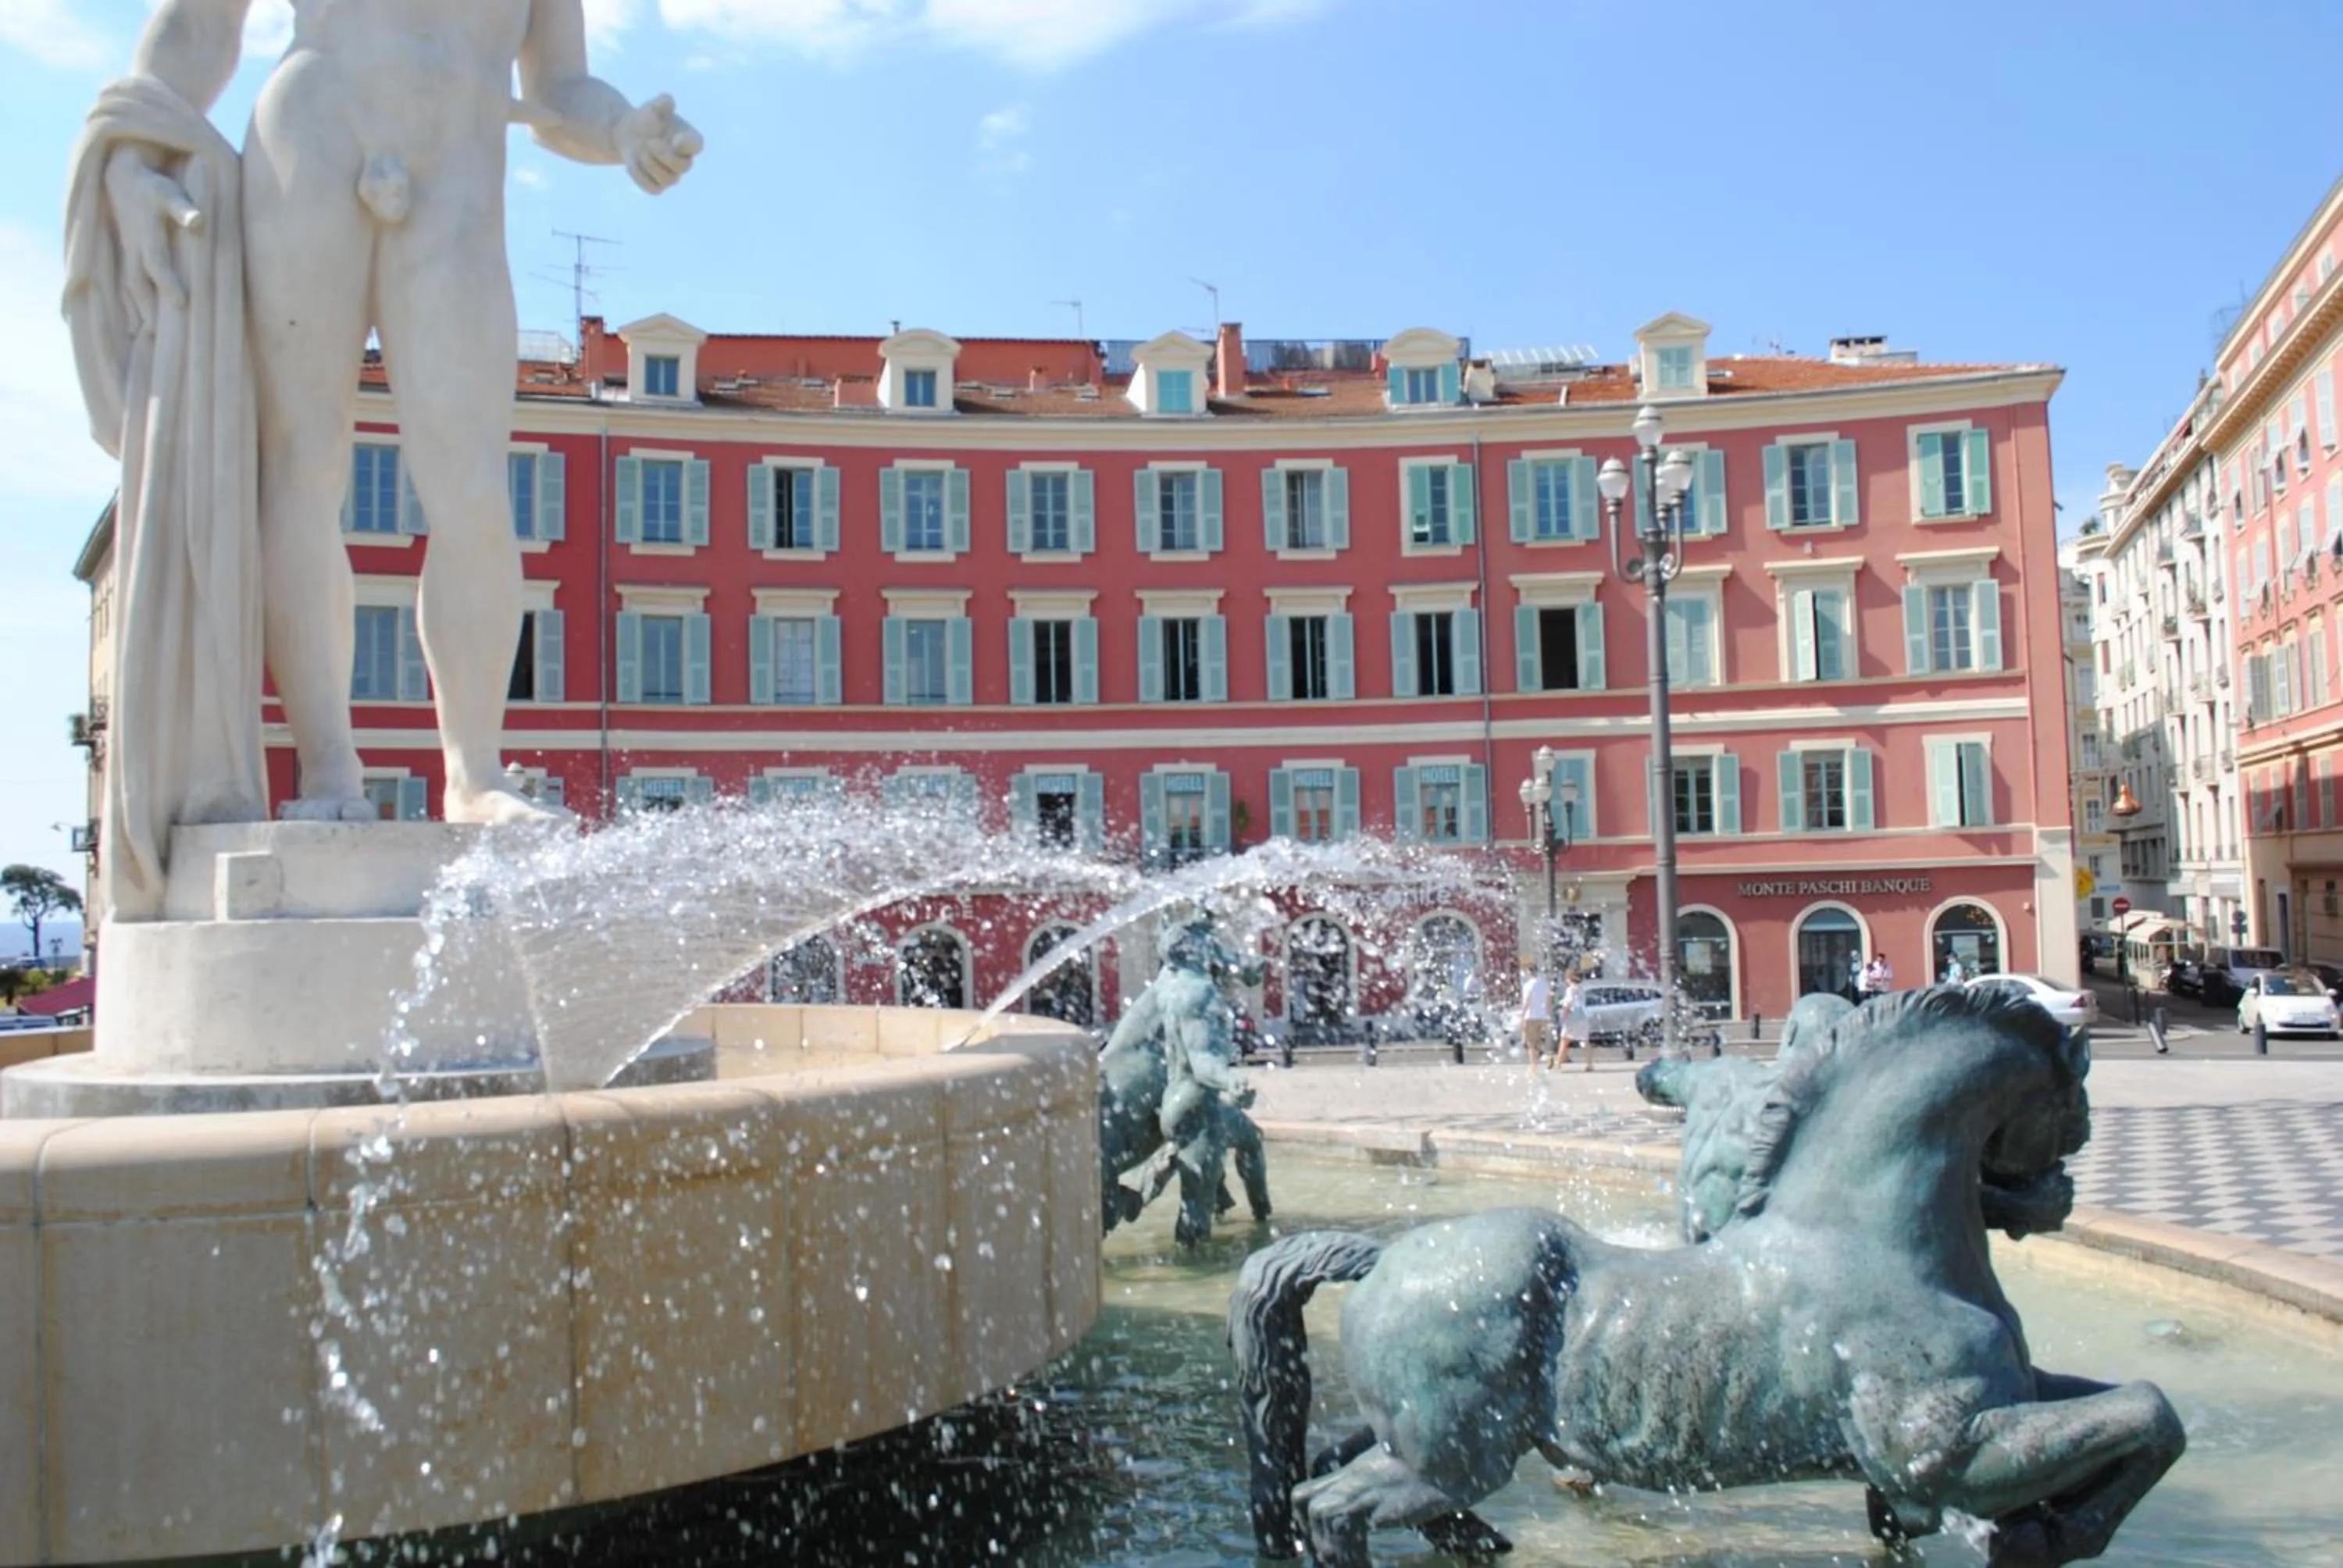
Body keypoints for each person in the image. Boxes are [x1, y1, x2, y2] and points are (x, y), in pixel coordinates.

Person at [77, 1, 702, 840]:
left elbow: (559, 89)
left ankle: (475, 772)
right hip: (309, 134)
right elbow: (200, 22)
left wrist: (623, 128)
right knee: (299, 466)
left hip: (458, 167)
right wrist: (133, 151)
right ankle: (329, 763)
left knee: (474, 485)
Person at [1517, 964, 1552, 1074]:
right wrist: (1549, 1014)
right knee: (1541, 1041)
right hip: (1543, 1016)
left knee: (1531, 1043)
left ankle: (1533, 1066)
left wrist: (1522, 1016)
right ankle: (1547, 1058)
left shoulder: (1528, 985)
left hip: (1531, 1016)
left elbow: (1527, 1000)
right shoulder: (1544, 984)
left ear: (1528, 972)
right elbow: (1549, 1000)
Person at [1555, 971, 1588, 1071]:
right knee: (1585, 1040)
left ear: (1569, 978)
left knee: (1564, 1039)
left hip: (1572, 1016)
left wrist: (1564, 1013)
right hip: (1582, 1015)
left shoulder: (1570, 989)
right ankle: (1589, 1063)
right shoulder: (1581, 989)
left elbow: (1568, 1002)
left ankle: (1559, 1062)